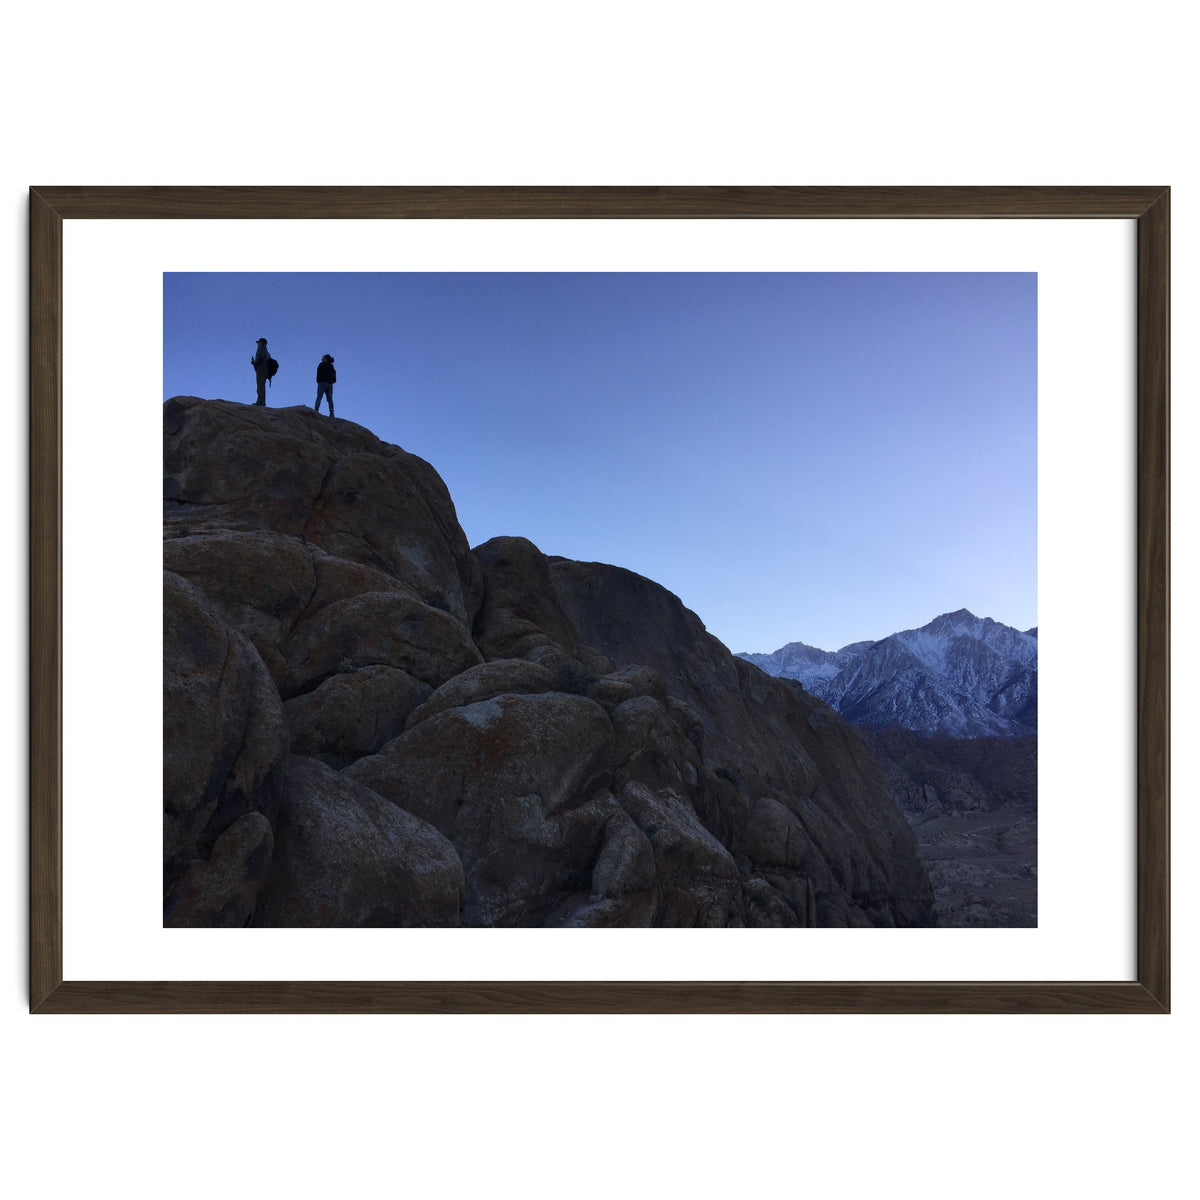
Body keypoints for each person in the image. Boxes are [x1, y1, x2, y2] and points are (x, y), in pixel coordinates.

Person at [251, 338, 271, 405]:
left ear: (261, 342)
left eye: (258, 342)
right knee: (261, 386)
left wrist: (254, 363)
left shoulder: (261, 348)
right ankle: (261, 401)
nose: (257, 344)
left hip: (261, 369)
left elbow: (259, 358)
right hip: (265, 370)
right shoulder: (267, 352)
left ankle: (260, 402)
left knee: (260, 386)